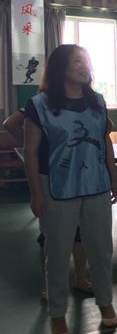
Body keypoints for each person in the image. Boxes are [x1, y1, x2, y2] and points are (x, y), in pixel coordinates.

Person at [23, 44, 117, 334]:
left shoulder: (98, 102)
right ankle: (57, 314)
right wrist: (36, 193)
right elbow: (31, 152)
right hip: (57, 189)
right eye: (77, 61)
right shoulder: (39, 105)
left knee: (101, 249)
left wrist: (114, 179)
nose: (84, 65)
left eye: (86, 60)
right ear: (60, 67)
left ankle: (105, 302)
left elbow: (105, 143)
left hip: (96, 186)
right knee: (57, 252)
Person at [4, 109, 94, 298]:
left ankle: (79, 278)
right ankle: (50, 284)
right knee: (51, 235)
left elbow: (105, 125)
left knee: (80, 233)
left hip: (77, 178)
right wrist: (30, 142)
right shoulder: (39, 106)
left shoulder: (79, 105)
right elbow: (10, 123)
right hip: (51, 180)